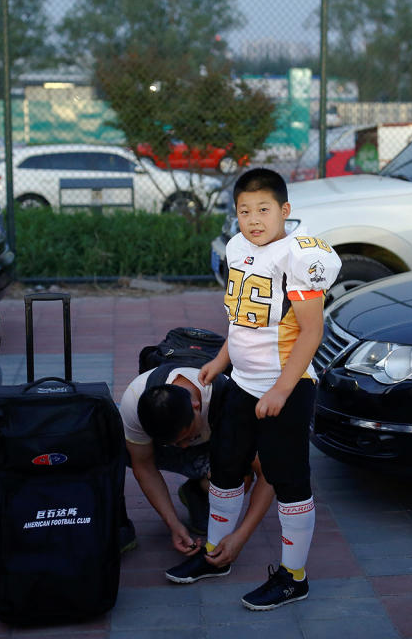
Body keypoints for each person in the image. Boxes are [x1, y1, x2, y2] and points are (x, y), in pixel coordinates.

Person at [163, 168, 341, 610]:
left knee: (289, 480)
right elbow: (244, 319)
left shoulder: (299, 256)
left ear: (284, 211)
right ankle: (215, 556)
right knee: (225, 468)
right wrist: (220, 360)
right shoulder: (239, 247)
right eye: (245, 210)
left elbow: (311, 333)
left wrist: (281, 390)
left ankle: (293, 577)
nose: (254, 219)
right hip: (243, 383)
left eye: (264, 209)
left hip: (287, 386)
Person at [118, 362, 274, 558]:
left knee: (240, 479)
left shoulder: (229, 401)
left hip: (211, 445)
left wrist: (240, 537)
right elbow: (144, 467)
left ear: (196, 406)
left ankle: (197, 492)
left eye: (188, 436)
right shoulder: (133, 399)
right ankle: (117, 522)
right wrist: (173, 524)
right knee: (115, 446)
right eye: (176, 442)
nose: (183, 446)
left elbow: (269, 474)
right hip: (161, 450)